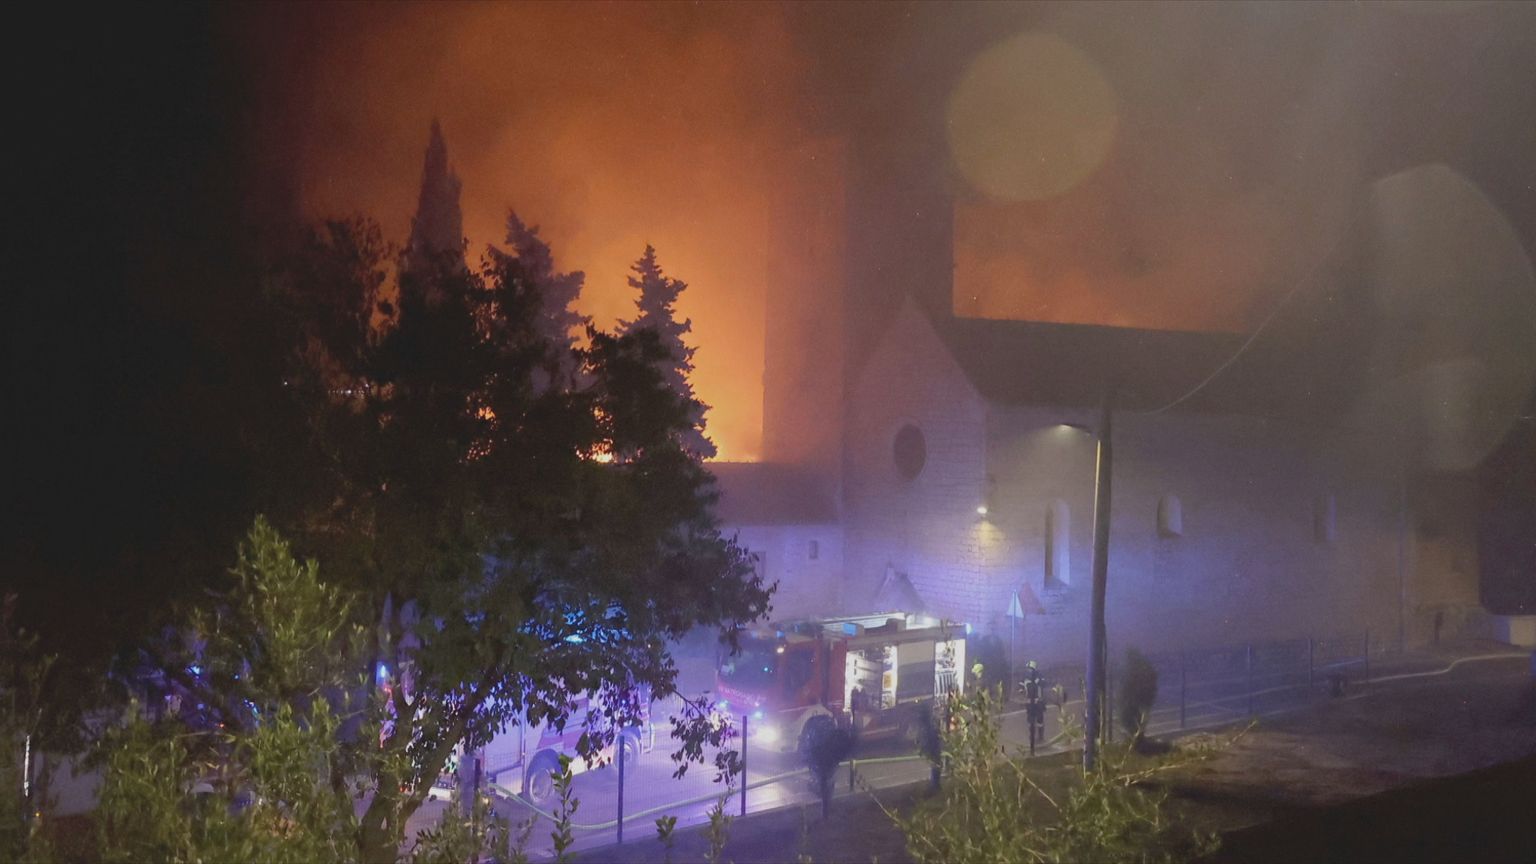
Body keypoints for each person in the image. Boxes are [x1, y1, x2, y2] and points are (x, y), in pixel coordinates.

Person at [1022, 660, 1046, 756]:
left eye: (1030, 669)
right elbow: (1022, 687)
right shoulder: (1026, 678)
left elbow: (1043, 685)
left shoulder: (1039, 677)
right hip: (1030, 703)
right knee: (1030, 720)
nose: (1028, 670)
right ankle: (1032, 736)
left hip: (1038, 702)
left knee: (1040, 720)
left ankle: (1040, 736)